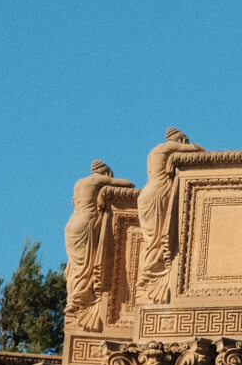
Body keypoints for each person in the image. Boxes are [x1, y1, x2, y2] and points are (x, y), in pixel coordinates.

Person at [136, 128, 204, 304]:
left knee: (151, 240)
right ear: (180, 140)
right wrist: (187, 145)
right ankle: (149, 277)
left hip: (145, 195)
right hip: (158, 196)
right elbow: (198, 151)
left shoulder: (155, 151)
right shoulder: (169, 148)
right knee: (156, 240)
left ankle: (147, 276)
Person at [64, 161, 134, 329]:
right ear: (106, 173)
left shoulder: (79, 183)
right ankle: (78, 301)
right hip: (86, 223)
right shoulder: (98, 180)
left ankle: (73, 298)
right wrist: (107, 186)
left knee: (75, 267)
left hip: (72, 224)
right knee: (85, 267)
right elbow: (128, 185)